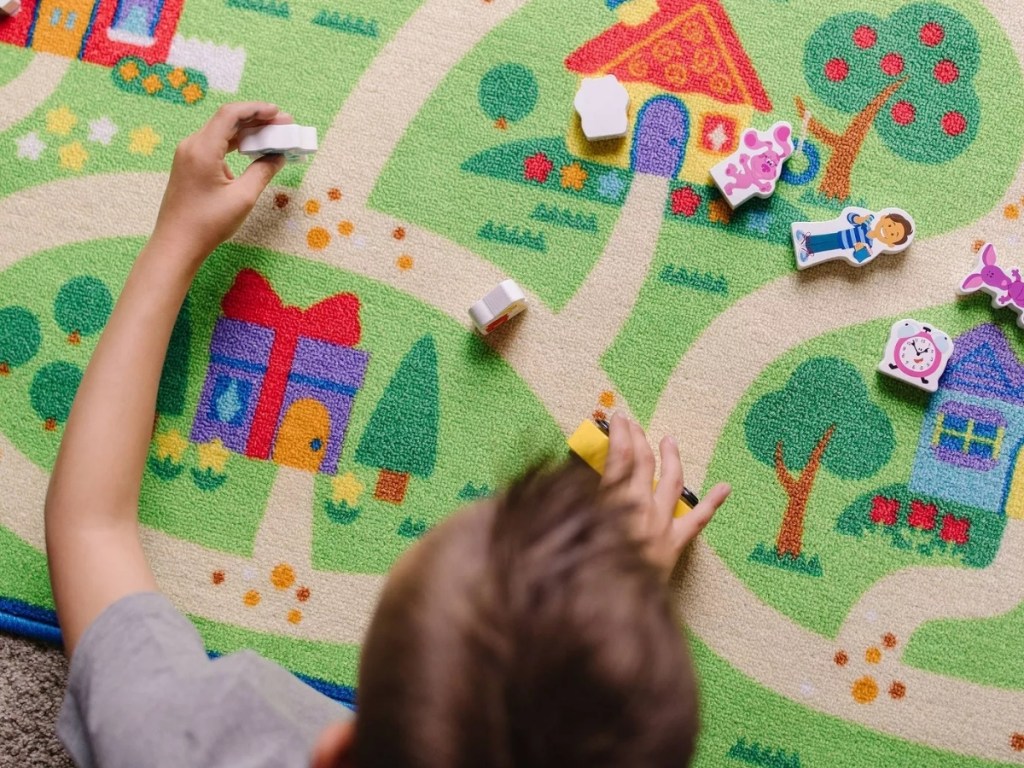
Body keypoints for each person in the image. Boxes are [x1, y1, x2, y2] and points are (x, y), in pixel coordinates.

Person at [44, 102, 731, 768]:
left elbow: (90, 526)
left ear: (337, 754)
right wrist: (619, 603)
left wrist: (175, 242)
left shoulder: (187, 743)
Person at [795, 208, 913, 266]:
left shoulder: (871, 248)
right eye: (889, 225)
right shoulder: (867, 222)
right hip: (841, 234)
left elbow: (858, 258)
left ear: (890, 244)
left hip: (843, 245)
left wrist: (858, 250)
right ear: (883, 218)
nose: (888, 231)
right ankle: (806, 238)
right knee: (825, 237)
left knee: (827, 247)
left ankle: (808, 252)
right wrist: (858, 219)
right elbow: (849, 216)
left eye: (893, 234)